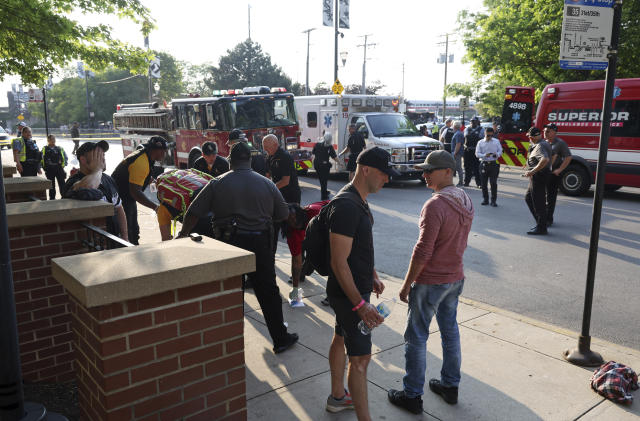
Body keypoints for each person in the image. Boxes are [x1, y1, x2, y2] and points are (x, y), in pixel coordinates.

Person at [179, 141, 299, 354]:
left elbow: (193, 211)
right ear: (250, 161)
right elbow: (282, 215)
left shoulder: (217, 183)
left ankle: (229, 346)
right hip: (260, 244)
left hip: (229, 244)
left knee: (231, 294)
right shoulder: (267, 184)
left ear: (230, 161)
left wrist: (182, 236)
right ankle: (280, 338)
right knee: (268, 292)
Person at [388, 150, 474, 414]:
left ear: (448, 172)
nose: (424, 175)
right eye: (423, 170)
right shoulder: (465, 199)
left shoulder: (436, 204)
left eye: (429, 170)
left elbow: (423, 250)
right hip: (454, 278)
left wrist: (406, 285)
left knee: (416, 337)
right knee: (450, 333)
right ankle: (450, 386)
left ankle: (412, 395)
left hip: (431, 281)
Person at [325, 147, 397, 419]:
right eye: (383, 173)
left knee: (340, 336)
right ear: (365, 169)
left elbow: (357, 250)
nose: (387, 179)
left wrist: (373, 274)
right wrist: (361, 306)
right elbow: (338, 262)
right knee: (361, 359)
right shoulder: (346, 206)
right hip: (349, 296)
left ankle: (337, 397)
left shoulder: (358, 201)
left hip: (352, 291)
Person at [61, 140, 128, 241]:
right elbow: (87, 187)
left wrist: (125, 237)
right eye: (97, 155)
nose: (103, 158)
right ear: (83, 160)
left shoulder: (108, 179)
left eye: (103, 155)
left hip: (114, 239)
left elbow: (119, 208)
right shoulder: (73, 181)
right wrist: (98, 170)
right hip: (93, 242)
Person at [111, 136, 168, 245]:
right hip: (122, 199)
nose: (164, 154)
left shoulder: (146, 155)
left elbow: (139, 175)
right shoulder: (141, 162)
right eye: (163, 151)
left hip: (126, 197)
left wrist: (151, 180)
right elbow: (135, 192)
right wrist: (155, 207)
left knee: (134, 230)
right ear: (156, 150)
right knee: (128, 233)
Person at [284, 200, 330, 298]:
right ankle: (307, 266)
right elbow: (296, 259)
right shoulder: (292, 232)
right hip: (313, 235)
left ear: (301, 213)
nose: (294, 221)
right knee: (307, 260)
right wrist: (295, 289)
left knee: (332, 260)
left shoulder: (316, 213)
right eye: (290, 221)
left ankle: (332, 293)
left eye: (294, 217)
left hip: (333, 225)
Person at [524, 127, 551, 235]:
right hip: (540, 175)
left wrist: (532, 171)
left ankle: (542, 227)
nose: (529, 138)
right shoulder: (543, 143)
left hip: (539, 176)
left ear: (532, 137)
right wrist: (530, 164)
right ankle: (540, 223)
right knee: (529, 198)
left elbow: (545, 159)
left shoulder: (540, 145)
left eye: (529, 137)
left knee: (538, 202)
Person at [544, 123, 572, 226]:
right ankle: (542, 216)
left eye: (548, 131)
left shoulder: (560, 143)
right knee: (542, 196)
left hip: (553, 174)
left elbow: (568, 157)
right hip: (543, 173)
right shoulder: (544, 142)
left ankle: (549, 219)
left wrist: (559, 170)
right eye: (544, 131)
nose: (545, 133)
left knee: (550, 197)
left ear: (555, 132)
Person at [475, 127, 503, 206]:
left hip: (494, 164)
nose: (489, 137)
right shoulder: (480, 142)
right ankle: (485, 199)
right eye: (488, 135)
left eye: (491, 135)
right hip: (484, 163)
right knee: (483, 183)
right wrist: (484, 155)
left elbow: (500, 151)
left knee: (493, 183)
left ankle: (493, 201)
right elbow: (477, 154)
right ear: (485, 133)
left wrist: (496, 154)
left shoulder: (496, 141)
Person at [41, 134, 68, 200]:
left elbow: (65, 157)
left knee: (62, 184)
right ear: (48, 140)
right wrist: (43, 168)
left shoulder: (59, 148)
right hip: (49, 170)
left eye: (53, 139)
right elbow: (41, 158)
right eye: (51, 139)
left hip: (59, 169)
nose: (52, 140)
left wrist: (63, 166)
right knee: (51, 185)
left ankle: (64, 196)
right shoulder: (44, 149)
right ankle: (52, 198)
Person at [312, 133, 339, 200]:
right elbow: (334, 157)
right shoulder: (329, 147)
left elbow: (313, 153)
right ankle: (323, 196)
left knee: (322, 180)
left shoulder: (317, 144)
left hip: (317, 165)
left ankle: (325, 192)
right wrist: (339, 162)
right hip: (324, 166)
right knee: (324, 180)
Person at [463, 116, 484, 187]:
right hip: (468, 150)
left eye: (474, 121)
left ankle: (479, 183)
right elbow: (465, 137)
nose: (473, 122)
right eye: (472, 121)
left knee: (477, 168)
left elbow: (482, 140)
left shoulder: (481, 130)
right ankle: (466, 182)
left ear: (477, 122)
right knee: (467, 167)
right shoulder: (467, 129)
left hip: (476, 150)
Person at [450, 121, 465, 186]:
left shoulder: (458, 134)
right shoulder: (458, 133)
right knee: (457, 167)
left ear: (455, 126)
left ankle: (461, 182)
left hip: (457, 153)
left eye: (453, 125)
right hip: (457, 152)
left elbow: (458, 144)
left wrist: (455, 153)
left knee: (458, 168)